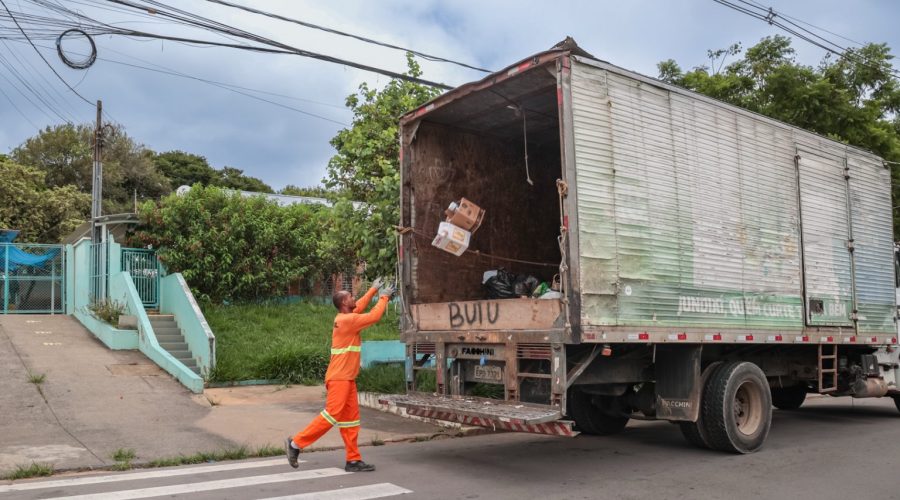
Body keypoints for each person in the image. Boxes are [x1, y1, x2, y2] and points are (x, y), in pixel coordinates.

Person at [285, 277, 394, 473]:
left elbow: (359, 307)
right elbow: (374, 316)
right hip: (339, 378)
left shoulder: (345, 317)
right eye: (351, 297)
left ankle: (353, 460)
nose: (354, 299)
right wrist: (384, 297)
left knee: (351, 421)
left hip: (347, 378)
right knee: (332, 415)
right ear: (344, 302)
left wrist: (373, 290)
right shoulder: (347, 321)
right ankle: (295, 443)